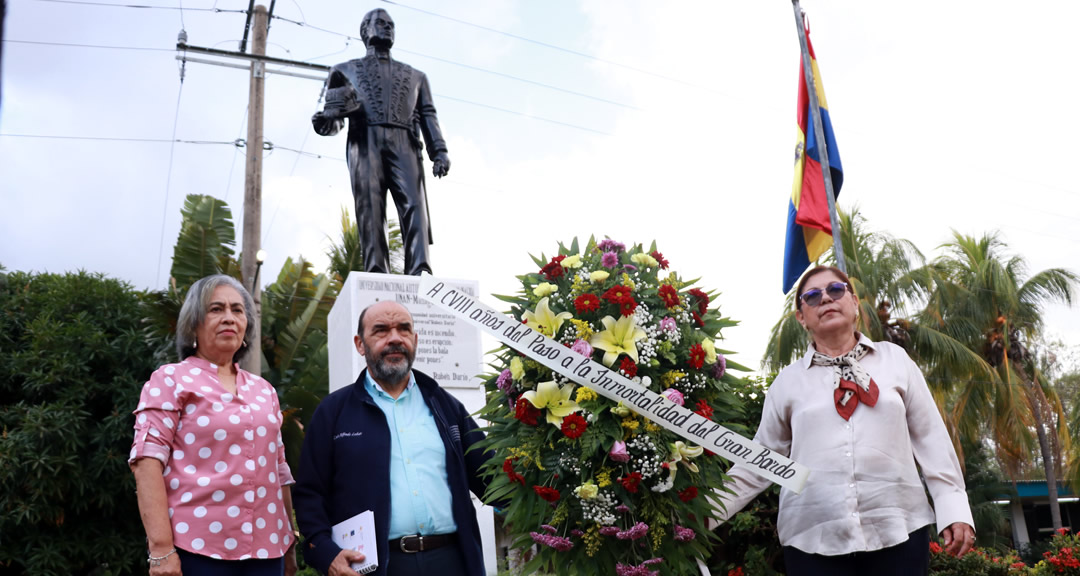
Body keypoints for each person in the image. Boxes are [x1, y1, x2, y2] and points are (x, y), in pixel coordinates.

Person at [712, 265, 975, 576]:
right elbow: (759, 462)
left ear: (853, 302)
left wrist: (954, 509)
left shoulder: (896, 361)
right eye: (812, 296)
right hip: (812, 539)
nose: (825, 299)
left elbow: (932, 440)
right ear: (801, 317)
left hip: (899, 530)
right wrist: (700, 516)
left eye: (835, 290)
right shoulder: (787, 383)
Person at [293, 301, 492, 576]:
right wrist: (326, 553)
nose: (395, 338)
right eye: (381, 331)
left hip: (451, 560)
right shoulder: (334, 412)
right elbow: (309, 493)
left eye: (403, 329)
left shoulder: (445, 406)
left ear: (415, 339)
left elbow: (491, 477)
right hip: (376, 567)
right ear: (360, 344)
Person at [129, 275, 297, 576]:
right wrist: (160, 550)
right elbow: (147, 462)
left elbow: (278, 468)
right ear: (193, 324)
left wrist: (289, 542)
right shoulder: (170, 380)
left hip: (267, 551)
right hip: (197, 551)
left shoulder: (264, 391)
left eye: (237, 310)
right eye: (216, 309)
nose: (229, 318)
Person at [312, 8, 450, 276]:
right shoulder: (343, 71)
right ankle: (376, 270)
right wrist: (326, 119)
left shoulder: (416, 76)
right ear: (365, 31)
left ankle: (420, 269)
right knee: (370, 206)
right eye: (380, 23)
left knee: (414, 204)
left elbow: (428, 115)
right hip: (365, 142)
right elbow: (334, 120)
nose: (387, 28)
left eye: (391, 25)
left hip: (405, 142)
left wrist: (439, 151)